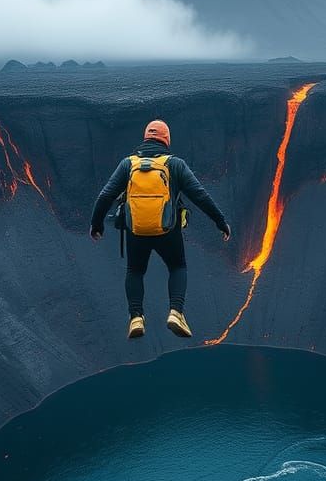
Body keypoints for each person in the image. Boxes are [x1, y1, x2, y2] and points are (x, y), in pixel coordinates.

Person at [90, 119, 231, 340]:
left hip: (136, 231)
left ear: (145, 138)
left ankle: (136, 317)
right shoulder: (174, 164)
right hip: (168, 231)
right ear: (166, 140)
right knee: (177, 266)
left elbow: (105, 195)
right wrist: (220, 221)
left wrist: (96, 225)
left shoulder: (128, 164)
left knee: (135, 271)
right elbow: (199, 195)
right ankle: (176, 312)